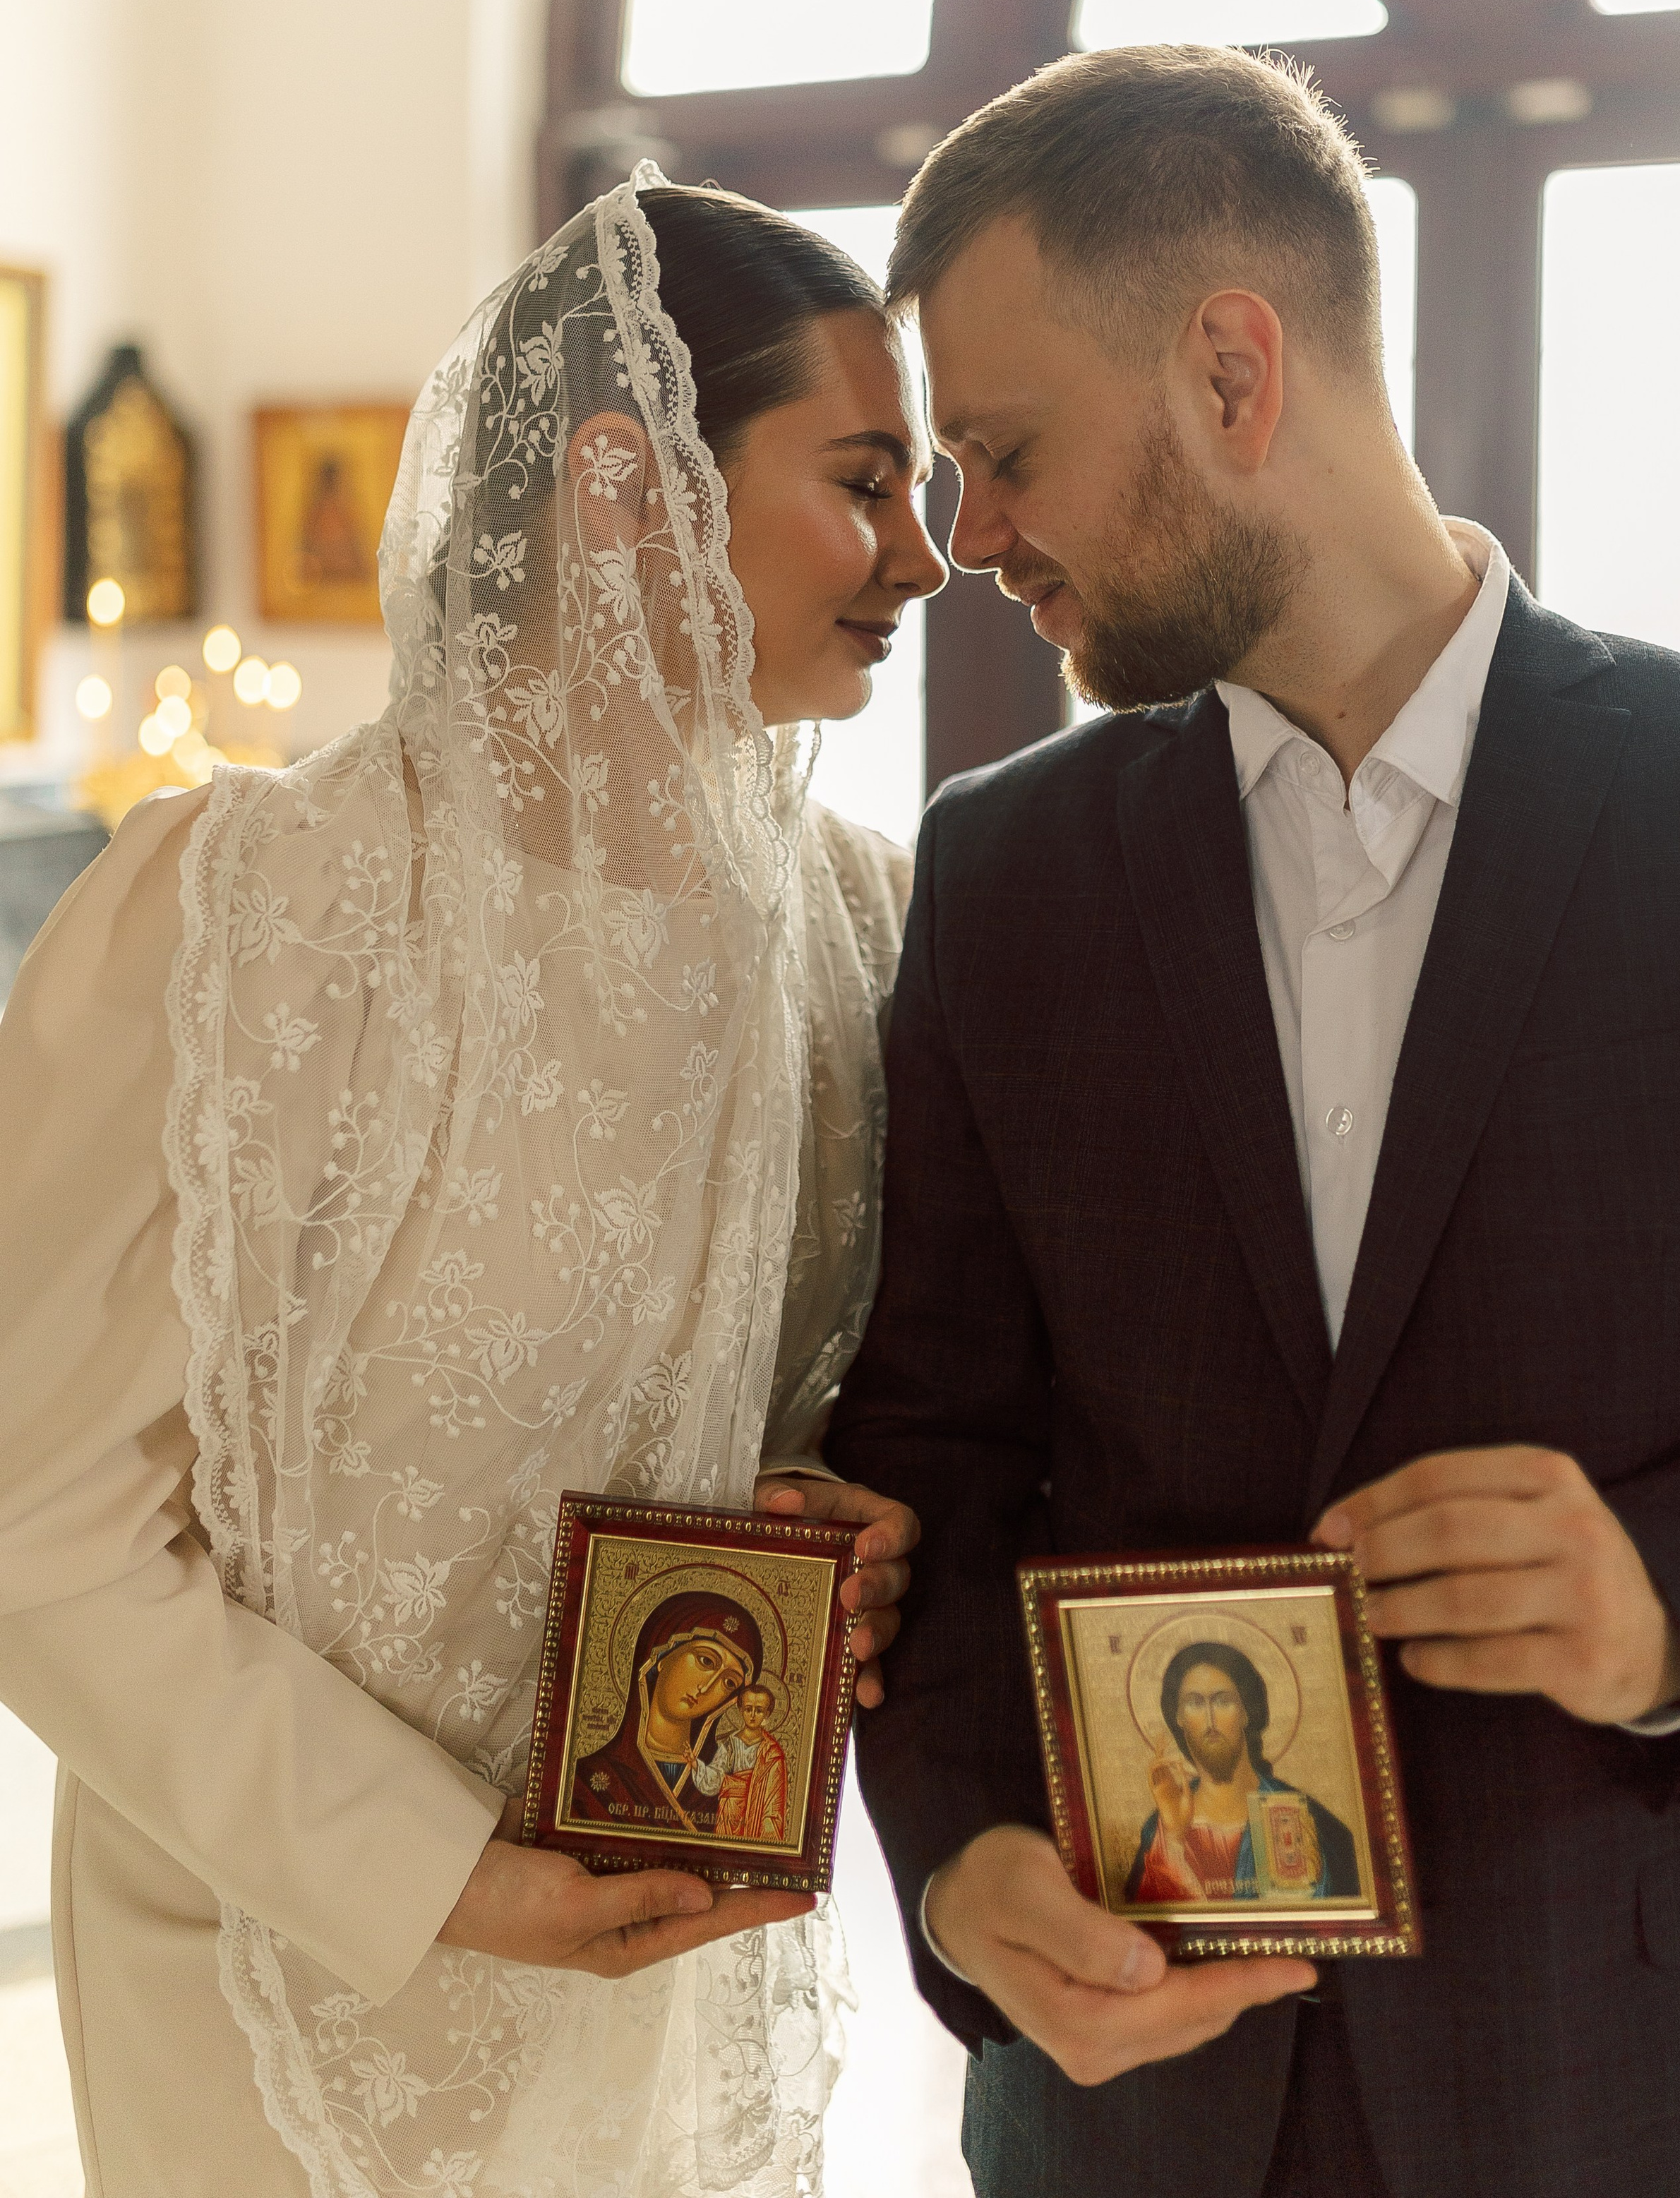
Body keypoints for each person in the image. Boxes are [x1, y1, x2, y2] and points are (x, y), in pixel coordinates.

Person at [829, 43, 1680, 2198]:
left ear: (1231, 370)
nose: (964, 536)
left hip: (1660, 2097)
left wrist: (1671, 1614)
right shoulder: (1002, 880)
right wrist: (969, 1858)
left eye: (1002, 454)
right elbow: (927, 1468)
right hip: (1136, 2121)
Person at [0, 168, 945, 2198]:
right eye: (867, 482)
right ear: (622, 481)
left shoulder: (867, 936)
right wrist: (449, 1877)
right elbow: (35, 1517)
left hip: (671, 1979)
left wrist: (861, 1517)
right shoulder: (243, 913)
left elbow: (874, 1414)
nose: (925, 558)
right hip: (273, 1972)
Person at [1125, 1643, 1358, 1906]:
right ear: (1178, 1717)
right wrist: (1172, 1839)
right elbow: (1143, 1926)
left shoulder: (1302, 1816)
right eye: (1194, 1703)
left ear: (1246, 1712)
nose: (1210, 1719)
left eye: (1223, 1701)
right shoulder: (1160, 1829)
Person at [568, 1592, 760, 1833]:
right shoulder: (587, 1781)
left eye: (729, 1683)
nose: (707, 1687)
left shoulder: (721, 1792)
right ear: (662, 1657)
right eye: (706, 1661)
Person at [713, 1685, 790, 1843]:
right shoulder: (729, 1743)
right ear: (741, 1710)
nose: (753, 1715)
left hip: (755, 1818)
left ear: (767, 1714)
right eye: (748, 1709)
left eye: (759, 1710)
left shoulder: (772, 1754)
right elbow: (715, 1777)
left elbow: (774, 1802)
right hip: (728, 1815)